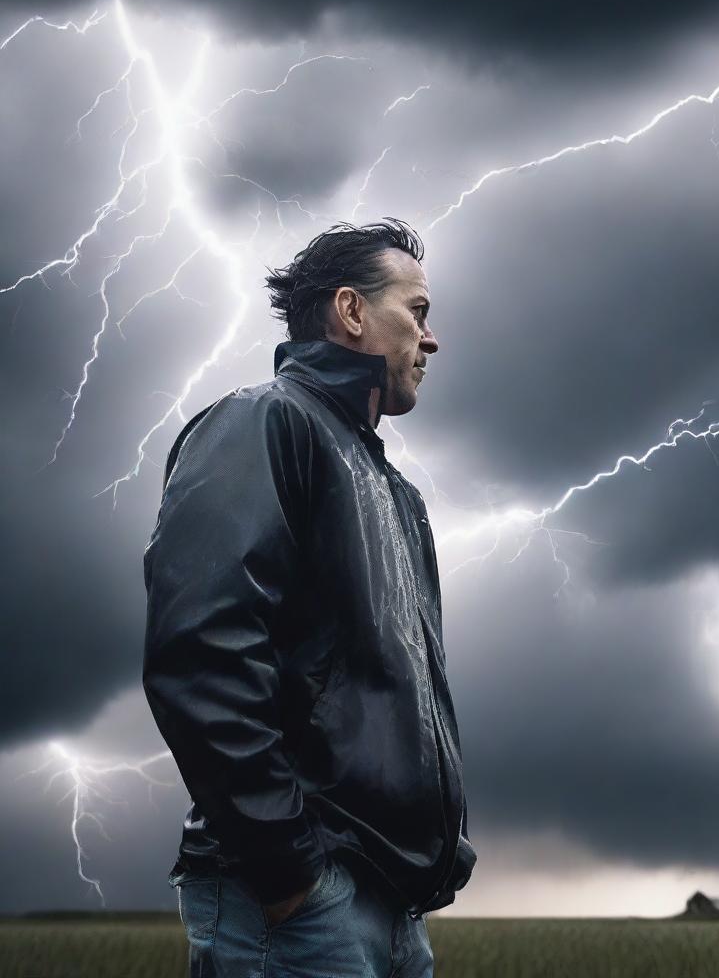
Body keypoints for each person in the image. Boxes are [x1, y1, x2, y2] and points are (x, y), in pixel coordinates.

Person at [142, 219, 475, 977]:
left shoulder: (397, 495)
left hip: (390, 908)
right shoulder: (265, 423)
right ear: (353, 312)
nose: (432, 340)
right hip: (297, 908)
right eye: (417, 312)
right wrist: (287, 873)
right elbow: (202, 648)